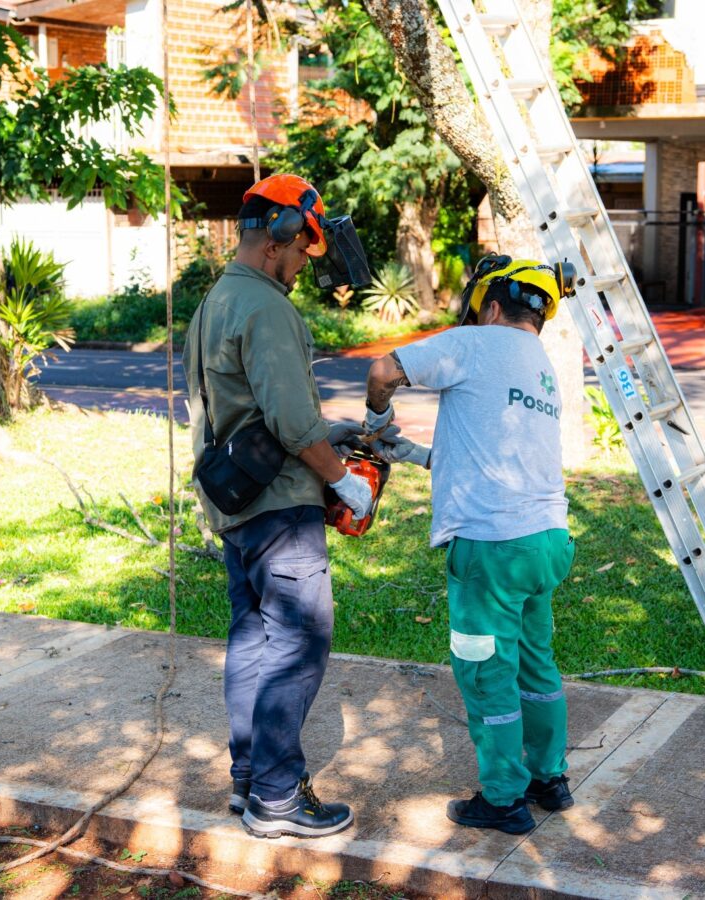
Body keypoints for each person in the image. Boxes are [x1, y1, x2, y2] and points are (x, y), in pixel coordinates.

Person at [183, 173, 376, 839]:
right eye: (300, 253)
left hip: (234, 506)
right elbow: (293, 419)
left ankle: (248, 781)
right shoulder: (267, 307)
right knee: (299, 640)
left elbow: (235, 409)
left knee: (253, 640)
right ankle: (276, 799)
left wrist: (330, 434)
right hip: (279, 509)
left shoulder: (215, 303)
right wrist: (341, 478)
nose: (300, 267)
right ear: (280, 240)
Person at [365, 256, 578, 835]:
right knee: (536, 662)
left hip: (490, 547)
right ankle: (549, 778)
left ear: (489, 304)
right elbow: (487, 454)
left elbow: (383, 371)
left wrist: (376, 419)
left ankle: (504, 798)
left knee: (485, 670)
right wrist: (405, 452)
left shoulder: (476, 342)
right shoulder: (541, 368)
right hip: (546, 540)